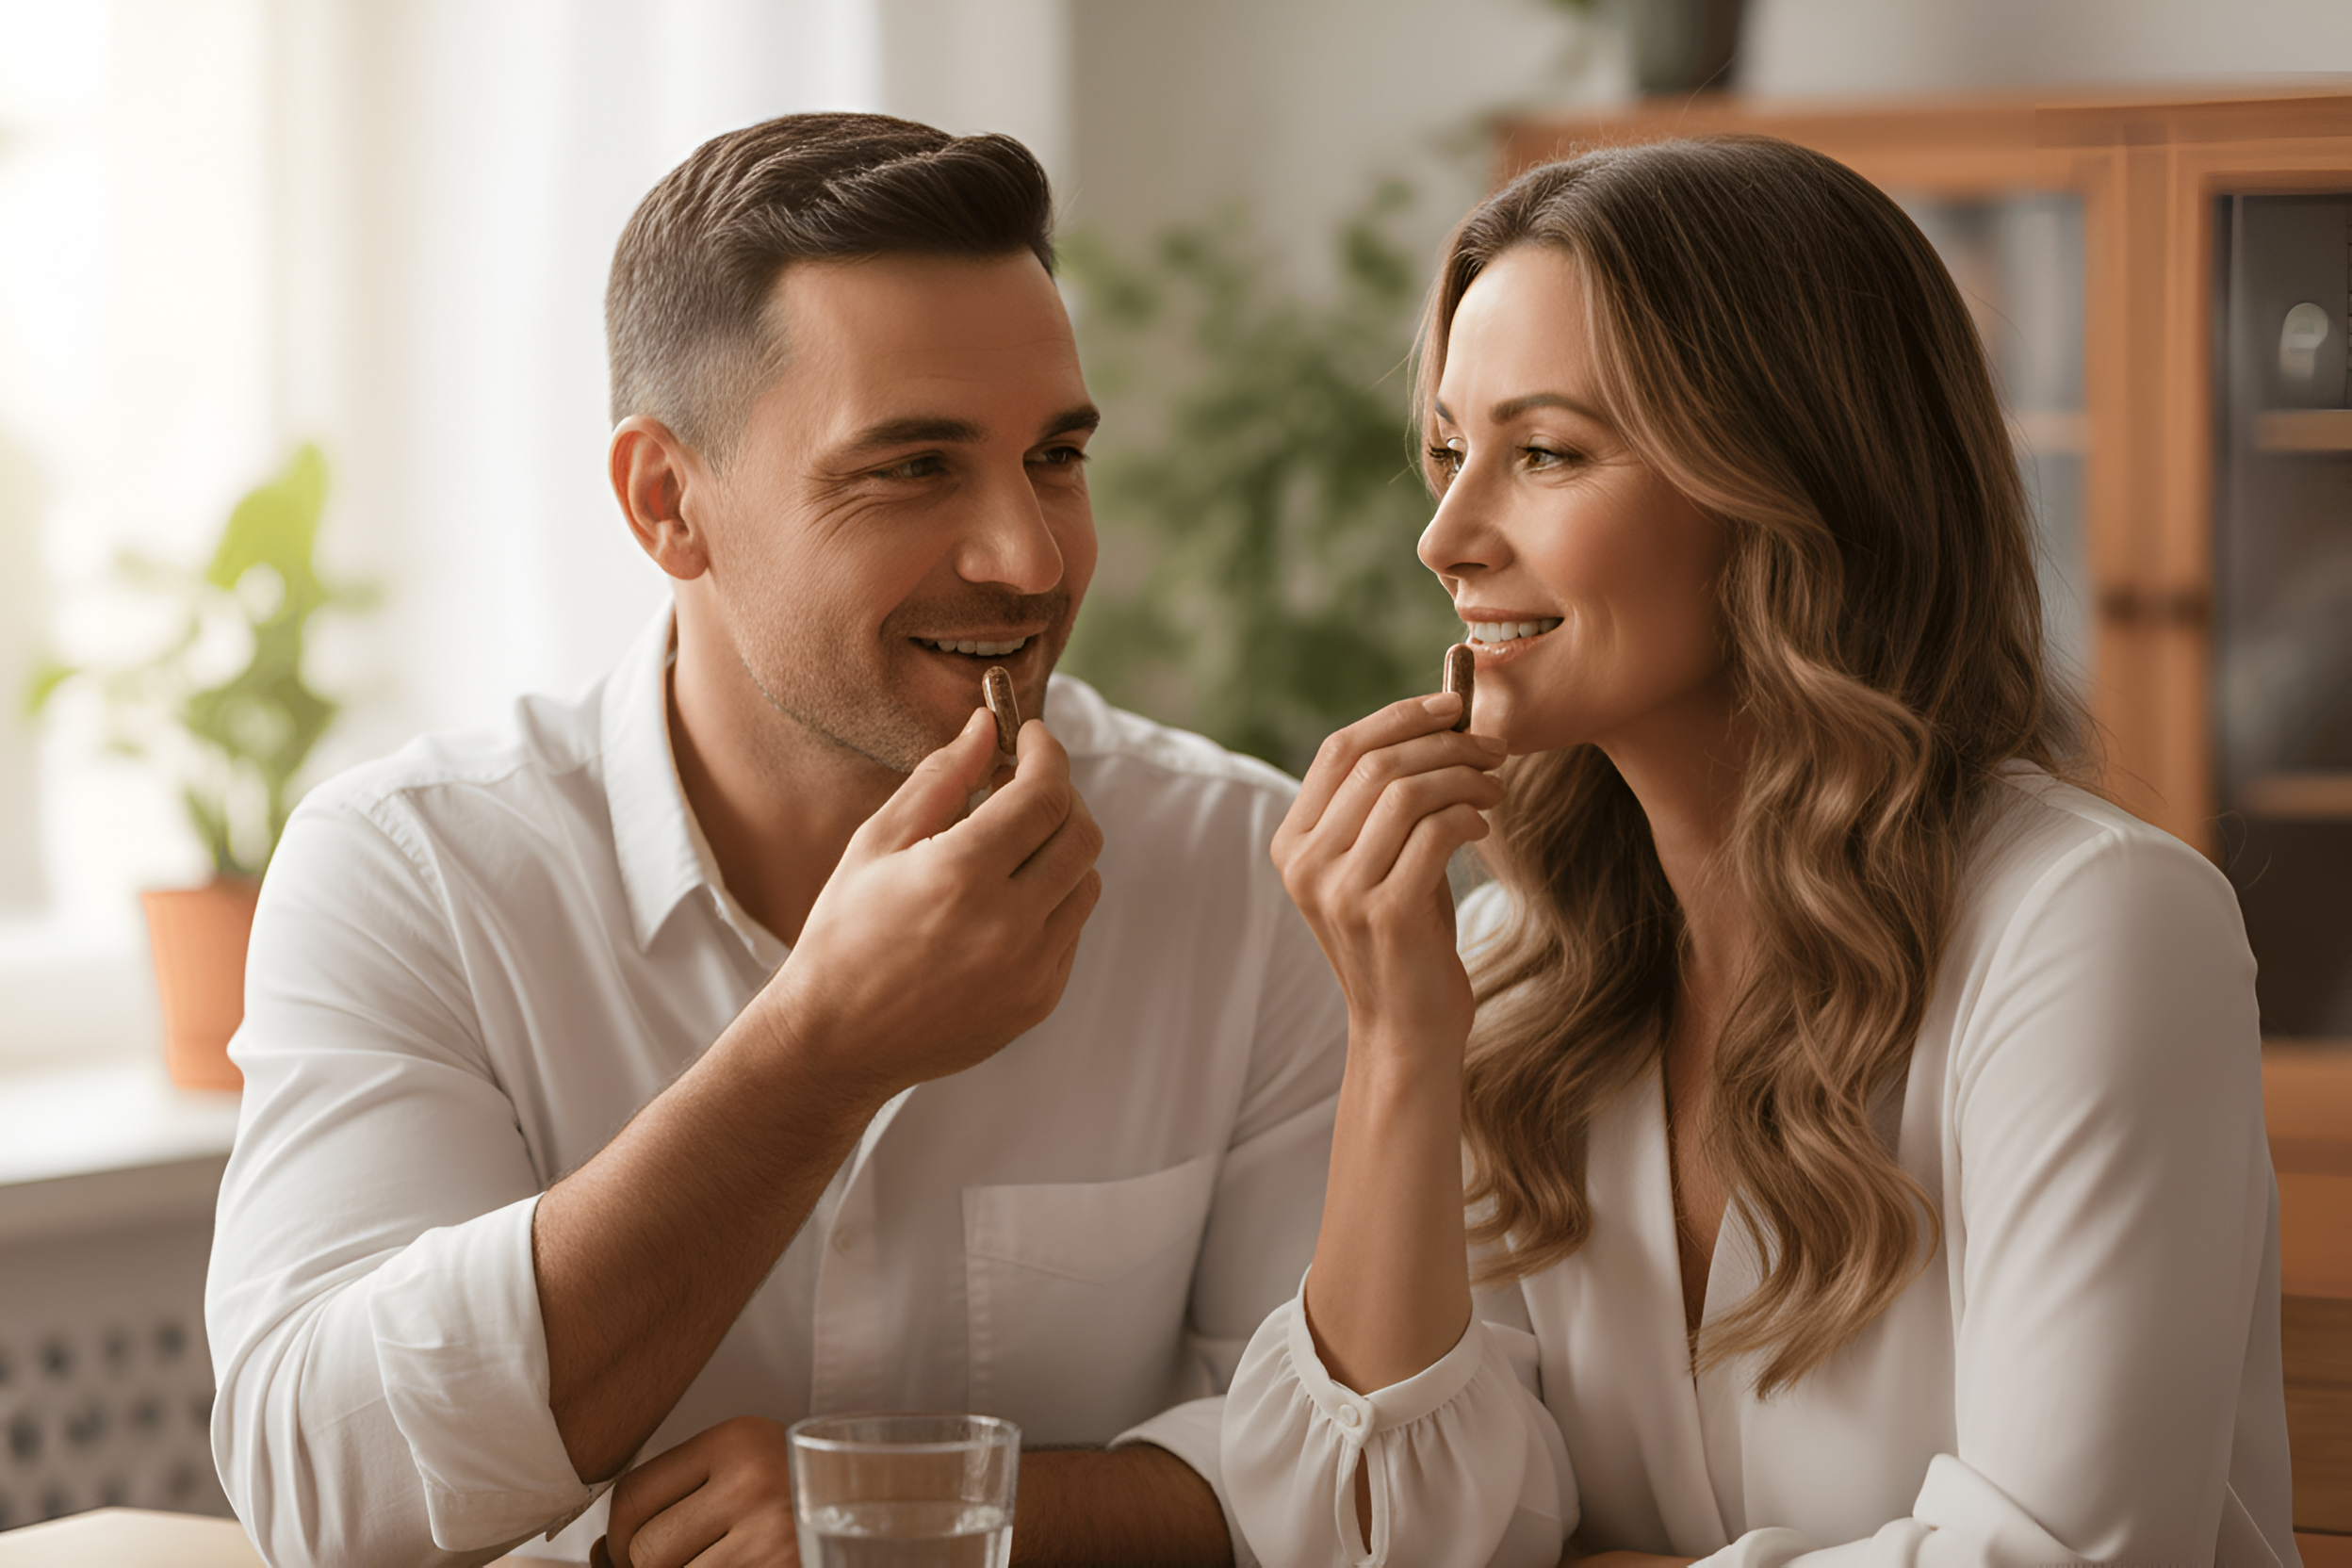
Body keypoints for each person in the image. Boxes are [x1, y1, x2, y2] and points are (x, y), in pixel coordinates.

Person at [205, 113, 1347, 1568]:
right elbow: (324, 1491)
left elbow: (1370, 1481)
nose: (1033, 557)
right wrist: (819, 1055)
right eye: (914, 468)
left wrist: (914, 1519)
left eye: (1054, 457)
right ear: (666, 502)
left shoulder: (1248, 871)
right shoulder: (414, 872)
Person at [1220, 137, 2295, 1568]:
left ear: (1789, 484)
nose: (1445, 536)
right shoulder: (1503, 964)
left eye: (1542, 453)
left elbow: (2058, 1559)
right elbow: (1364, 1544)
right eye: (1445, 451)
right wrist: (1400, 1046)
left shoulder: (2093, 930)